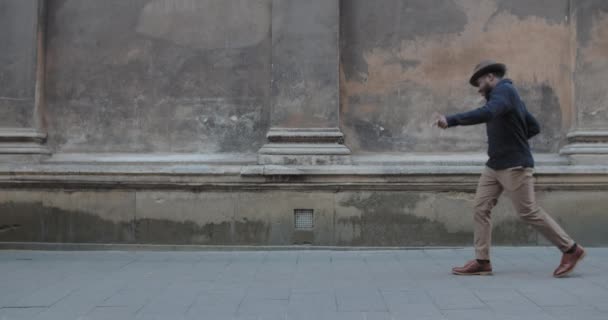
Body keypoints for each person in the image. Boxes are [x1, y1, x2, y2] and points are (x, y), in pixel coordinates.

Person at [432, 60, 585, 278]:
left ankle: (571, 250)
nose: (478, 87)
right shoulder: (507, 98)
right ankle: (482, 261)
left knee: (528, 212)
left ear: (491, 77)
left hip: (514, 166)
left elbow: (488, 113)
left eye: (479, 82)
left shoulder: (504, 91)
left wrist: (451, 120)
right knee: (480, 207)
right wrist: (513, 139)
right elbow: (533, 126)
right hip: (494, 166)